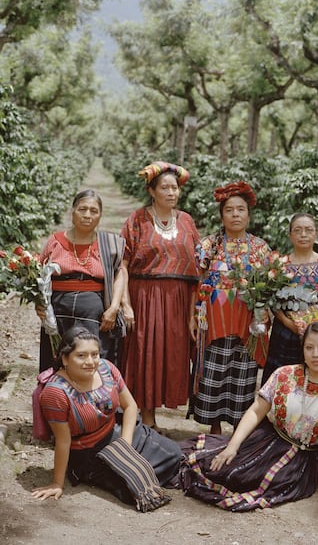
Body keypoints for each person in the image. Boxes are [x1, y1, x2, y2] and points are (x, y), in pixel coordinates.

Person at [176, 321, 318, 512]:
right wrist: (232, 446)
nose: (315, 354)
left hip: (303, 460)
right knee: (218, 464)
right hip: (266, 440)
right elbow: (256, 411)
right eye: (309, 347)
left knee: (244, 478)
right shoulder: (285, 375)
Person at [31, 326, 182, 509]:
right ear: (65, 358)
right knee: (132, 489)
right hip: (90, 453)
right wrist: (57, 483)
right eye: (81, 356)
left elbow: (130, 406)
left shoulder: (106, 368)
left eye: (95, 354)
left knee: (174, 455)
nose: (90, 361)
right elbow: (63, 441)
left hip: (119, 434)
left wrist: (125, 446)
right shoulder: (55, 393)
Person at [120, 161, 199, 430]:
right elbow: (123, 263)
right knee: (146, 352)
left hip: (178, 299)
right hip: (145, 297)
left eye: (174, 187)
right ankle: (148, 418)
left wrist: (192, 313)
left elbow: (196, 267)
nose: (171, 192)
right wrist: (126, 304)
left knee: (171, 354)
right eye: (164, 187)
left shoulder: (187, 221)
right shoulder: (136, 220)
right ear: (151, 191)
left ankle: (160, 412)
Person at [189, 181, 271, 435]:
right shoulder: (208, 246)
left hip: (249, 322)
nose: (235, 214)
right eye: (229, 210)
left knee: (243, 375)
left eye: (241, 210)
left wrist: (266, 311)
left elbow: (268, 286)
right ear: (221, 215)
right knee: (213, 372)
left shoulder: (261, 248)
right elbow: (197, 283)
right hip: (213, 321)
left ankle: (239, 430)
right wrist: (192, 317)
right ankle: (214, 428)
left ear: (248, 214)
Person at [36, 189, 126, 372]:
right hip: (57, 311)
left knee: (92, 360)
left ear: (100, 216)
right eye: (82, 209)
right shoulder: (55, 241)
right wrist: (40, 304)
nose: (87, 215)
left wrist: (114, 307)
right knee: (57, 358)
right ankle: (56, 397)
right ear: (73, 212)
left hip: (94, 313)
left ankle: (92, 400)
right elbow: (38, 275)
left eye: (94, 211)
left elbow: (120, 273)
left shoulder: (109, 244)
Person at [262, 212, 318, 384]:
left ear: (316, 233)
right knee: (285, 382)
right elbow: (273, 302)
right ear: (290, 235)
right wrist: (288, 323)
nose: (303, 234)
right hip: (287, 332)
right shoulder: (280, 264)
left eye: (308, 230)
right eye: (298, 230)